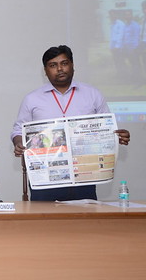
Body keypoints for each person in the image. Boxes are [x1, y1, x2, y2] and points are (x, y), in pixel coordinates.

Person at [11, 45, 130, 201]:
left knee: (84, 222)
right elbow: (18, 131)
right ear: (45, 71)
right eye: (53, 65)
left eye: (64, 63)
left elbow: (106, 127)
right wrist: (19, 143)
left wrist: (117, 135)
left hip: (84, 175)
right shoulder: (32, 99)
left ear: (73, 65)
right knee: (43, 223)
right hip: (45, 177)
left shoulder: (92, 94)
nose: (60, 69)